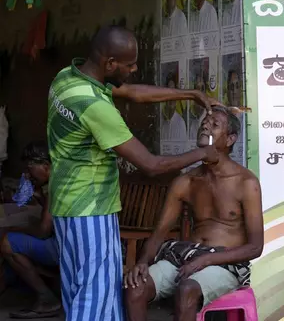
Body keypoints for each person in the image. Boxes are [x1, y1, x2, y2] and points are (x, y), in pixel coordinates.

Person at [46, 25, 225, 321]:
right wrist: (204, 153)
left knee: (78, 290)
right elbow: (152, 165)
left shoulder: (69, 78)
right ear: (110, 64)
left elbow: (133, 93)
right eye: (129, 64)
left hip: (65, 206)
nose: (135, 69)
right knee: (95, 297)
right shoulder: (96, 107)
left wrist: (190, 94)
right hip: (91, 209)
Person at [124, 106, 263, 321]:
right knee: (135, 286)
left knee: (186, 289)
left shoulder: (246, 183)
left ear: (230, 139)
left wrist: (207, 260)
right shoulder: (185, 182)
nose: (205, 126)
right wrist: (142, 261)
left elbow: (255, 247)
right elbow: (160, 232)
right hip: (185, 257)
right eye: (204, 123)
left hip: (223, 263)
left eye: (214, 125)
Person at [0, 142, 60, 319]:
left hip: (64, 248)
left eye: (30, 169)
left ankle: (46, 298)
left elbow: (43, 231)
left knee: (7, 242)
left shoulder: (54, 187)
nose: (28, 175)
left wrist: (16, 228)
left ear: (46, 166)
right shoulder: (60, 181)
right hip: (69, 244)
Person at [161, 72, 188, 141]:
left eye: (173, 92)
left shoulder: (181, 123)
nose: (171, 96)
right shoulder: (159, 120)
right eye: (168, 92)